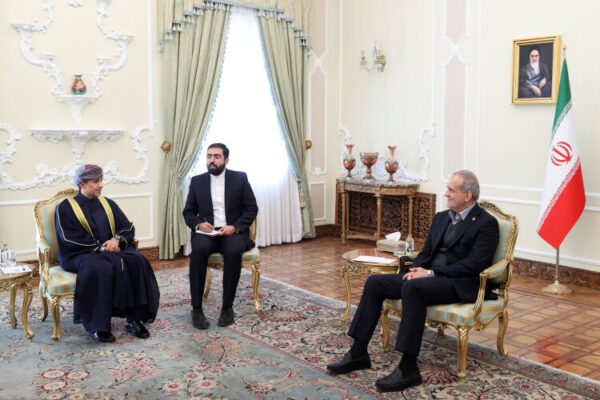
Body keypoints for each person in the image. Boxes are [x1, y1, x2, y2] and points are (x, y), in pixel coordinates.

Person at [326, 170, 499, 392]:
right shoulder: (441, 217)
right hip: (428, 277)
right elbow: (426, 251)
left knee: (413, 288)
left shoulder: (486, 223)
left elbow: (474, 265)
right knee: (375, 282)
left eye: (451, 190)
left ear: (467, 195)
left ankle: (408, 368)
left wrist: (429, 273)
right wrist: (416, 268)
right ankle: (358, 353)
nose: (446, 194)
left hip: (459, 282)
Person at [55, 164, 160, 342]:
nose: (101, 185)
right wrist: (101, 248)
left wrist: (116, 240)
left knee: (137, 260)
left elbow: (127, 226)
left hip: (112, 250)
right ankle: (99, 325)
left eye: (101, 180)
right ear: (82, 184)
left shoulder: (107, 203)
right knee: (100, 268)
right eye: (96, 182)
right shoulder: (65, 208)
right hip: (80, 254)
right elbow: (69, 238)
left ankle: (134, 319)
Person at [183, 143, 258, 330]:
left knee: (233, 251)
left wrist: (235, 227)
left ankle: (227, 307)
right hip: (207, 232)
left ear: (226, 160)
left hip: (232, 231)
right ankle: (197, 308)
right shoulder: (197, 181)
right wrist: (198, 225)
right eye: (209, 156)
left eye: (216, 156)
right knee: (199, 250)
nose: (212, 160)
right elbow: (188, 212)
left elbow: (251, 208)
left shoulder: (240, 178)